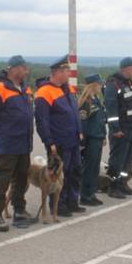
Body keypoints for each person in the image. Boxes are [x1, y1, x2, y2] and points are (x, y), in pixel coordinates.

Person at [0, 55, 34, 231]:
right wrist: (2, 133)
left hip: (24, 143)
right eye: (24, 67)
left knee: (21, 178)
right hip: (9, 144)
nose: (26, 70)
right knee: (2, 179)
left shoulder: (25, 89)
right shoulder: (0, 89)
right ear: (14, 69)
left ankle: (19, 210)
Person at [34, 55, 84, 217]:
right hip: (59, 141)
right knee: (58, 175)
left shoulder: (67, 88)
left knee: (74, 171)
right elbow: (42, 121)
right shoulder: (44, 92)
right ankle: (59, 205)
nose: (68, 74)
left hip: (73, 139)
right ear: (57, 72)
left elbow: (74, 113)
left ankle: (72, 201)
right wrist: (49, 142)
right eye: (66, 71)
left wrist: (80, 130)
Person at [104, 57, 132, 199]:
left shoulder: (128, 83)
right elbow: (111, 109)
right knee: (117, 159)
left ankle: (122, 183)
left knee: (126, 158)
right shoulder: (113, 84)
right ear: (125, 68)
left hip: (131, 126)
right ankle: (113, 187)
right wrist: (115, 129)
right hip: (120, 129)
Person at [78, 74, 107, 206]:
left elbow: (101, 120)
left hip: (98, 136)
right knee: (89, 167)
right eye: (99, 84)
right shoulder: (86, 101)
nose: (101, 86)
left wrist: (104, 135)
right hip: (90, 138)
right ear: (93, 85)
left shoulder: (96, 100)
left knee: (95, 168)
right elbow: (83, 123)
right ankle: (85, 195)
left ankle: (92, 192)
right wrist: (83, 141)